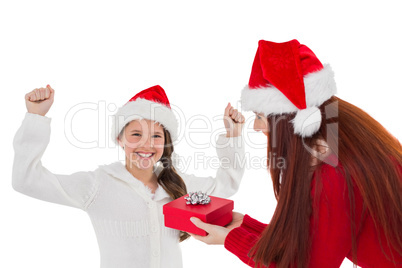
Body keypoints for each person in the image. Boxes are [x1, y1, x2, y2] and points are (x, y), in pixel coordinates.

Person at [190, 39, 402, 268]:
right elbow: (311, 245)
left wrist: (231, 239)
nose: (256, 127)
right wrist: (245, 226)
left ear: (294, 121)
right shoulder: (338, 150)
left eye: (261, 117)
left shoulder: (334, 175)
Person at [12, 84, 246, 268]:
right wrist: (36, 118)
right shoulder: (98, 185)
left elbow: (226, 185)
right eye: (136, 134)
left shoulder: (177, 184)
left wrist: (233, 136)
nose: (146, 144)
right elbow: (27, 180)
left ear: (165, 144)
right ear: (119, 139)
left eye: (156, 136)